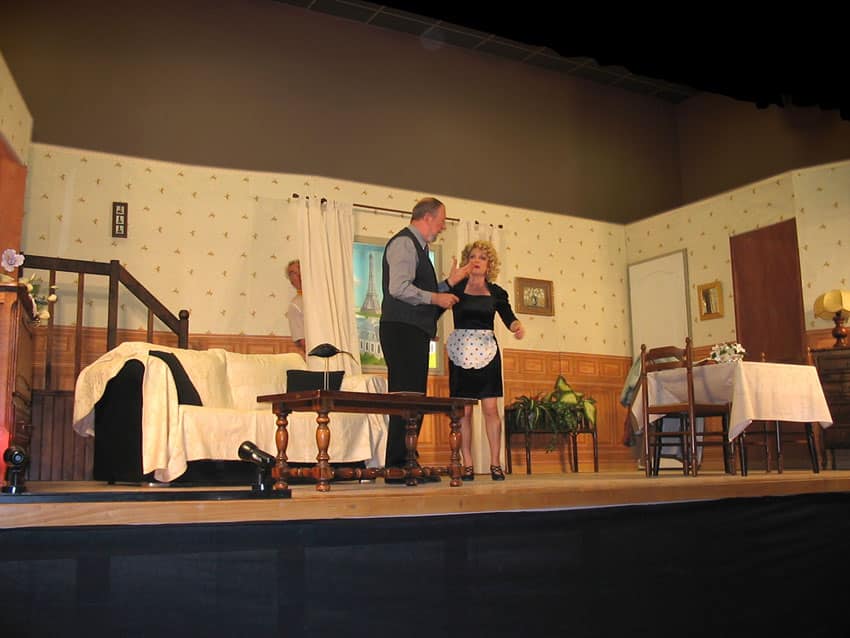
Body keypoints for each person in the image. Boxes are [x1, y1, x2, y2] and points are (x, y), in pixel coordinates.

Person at [380, 196, 471, 476]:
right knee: (406, 398)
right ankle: (398, 465)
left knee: (413, 398)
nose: (443, 227)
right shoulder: (404, 243)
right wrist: (436, 298)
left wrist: (450, 283)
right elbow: (398, 288)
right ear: (428, 217)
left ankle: (407, 461)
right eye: (442, 221)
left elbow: (422, 292)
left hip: (411, 330)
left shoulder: (419, 247)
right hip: (402, 330)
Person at [446, 240, 524, 481]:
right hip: (460, 352)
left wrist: (517, 327)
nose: (477, 260)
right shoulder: (456, 289)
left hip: (487, 352)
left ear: (489, 264)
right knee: (465, 412)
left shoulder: (497, 292)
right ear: (467, 261)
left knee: (491, 409)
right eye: (472, 256)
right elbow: (436, 309)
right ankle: (467, 464)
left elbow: (509, 317)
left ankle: (495, 463)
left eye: (482, 257)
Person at [285, 259, 305, 357]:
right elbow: (301, 340)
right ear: (291, 281)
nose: (299, 275)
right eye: (293, 273)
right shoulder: (295, 305)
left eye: (300, 270)